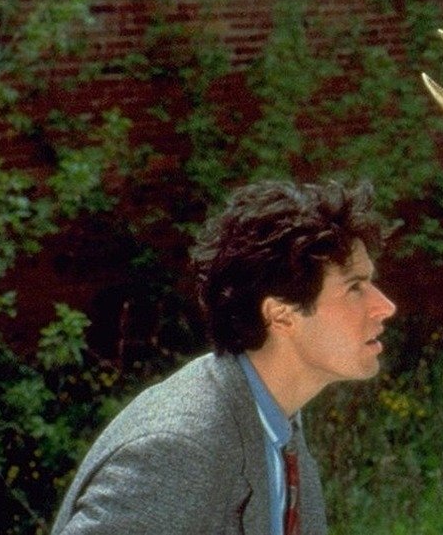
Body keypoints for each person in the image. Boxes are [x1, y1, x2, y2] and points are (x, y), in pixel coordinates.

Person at [52, 180, 397, 534]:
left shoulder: (278, 425)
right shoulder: (181, 448)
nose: (385, 306)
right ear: (280, 315)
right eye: (355, 287)